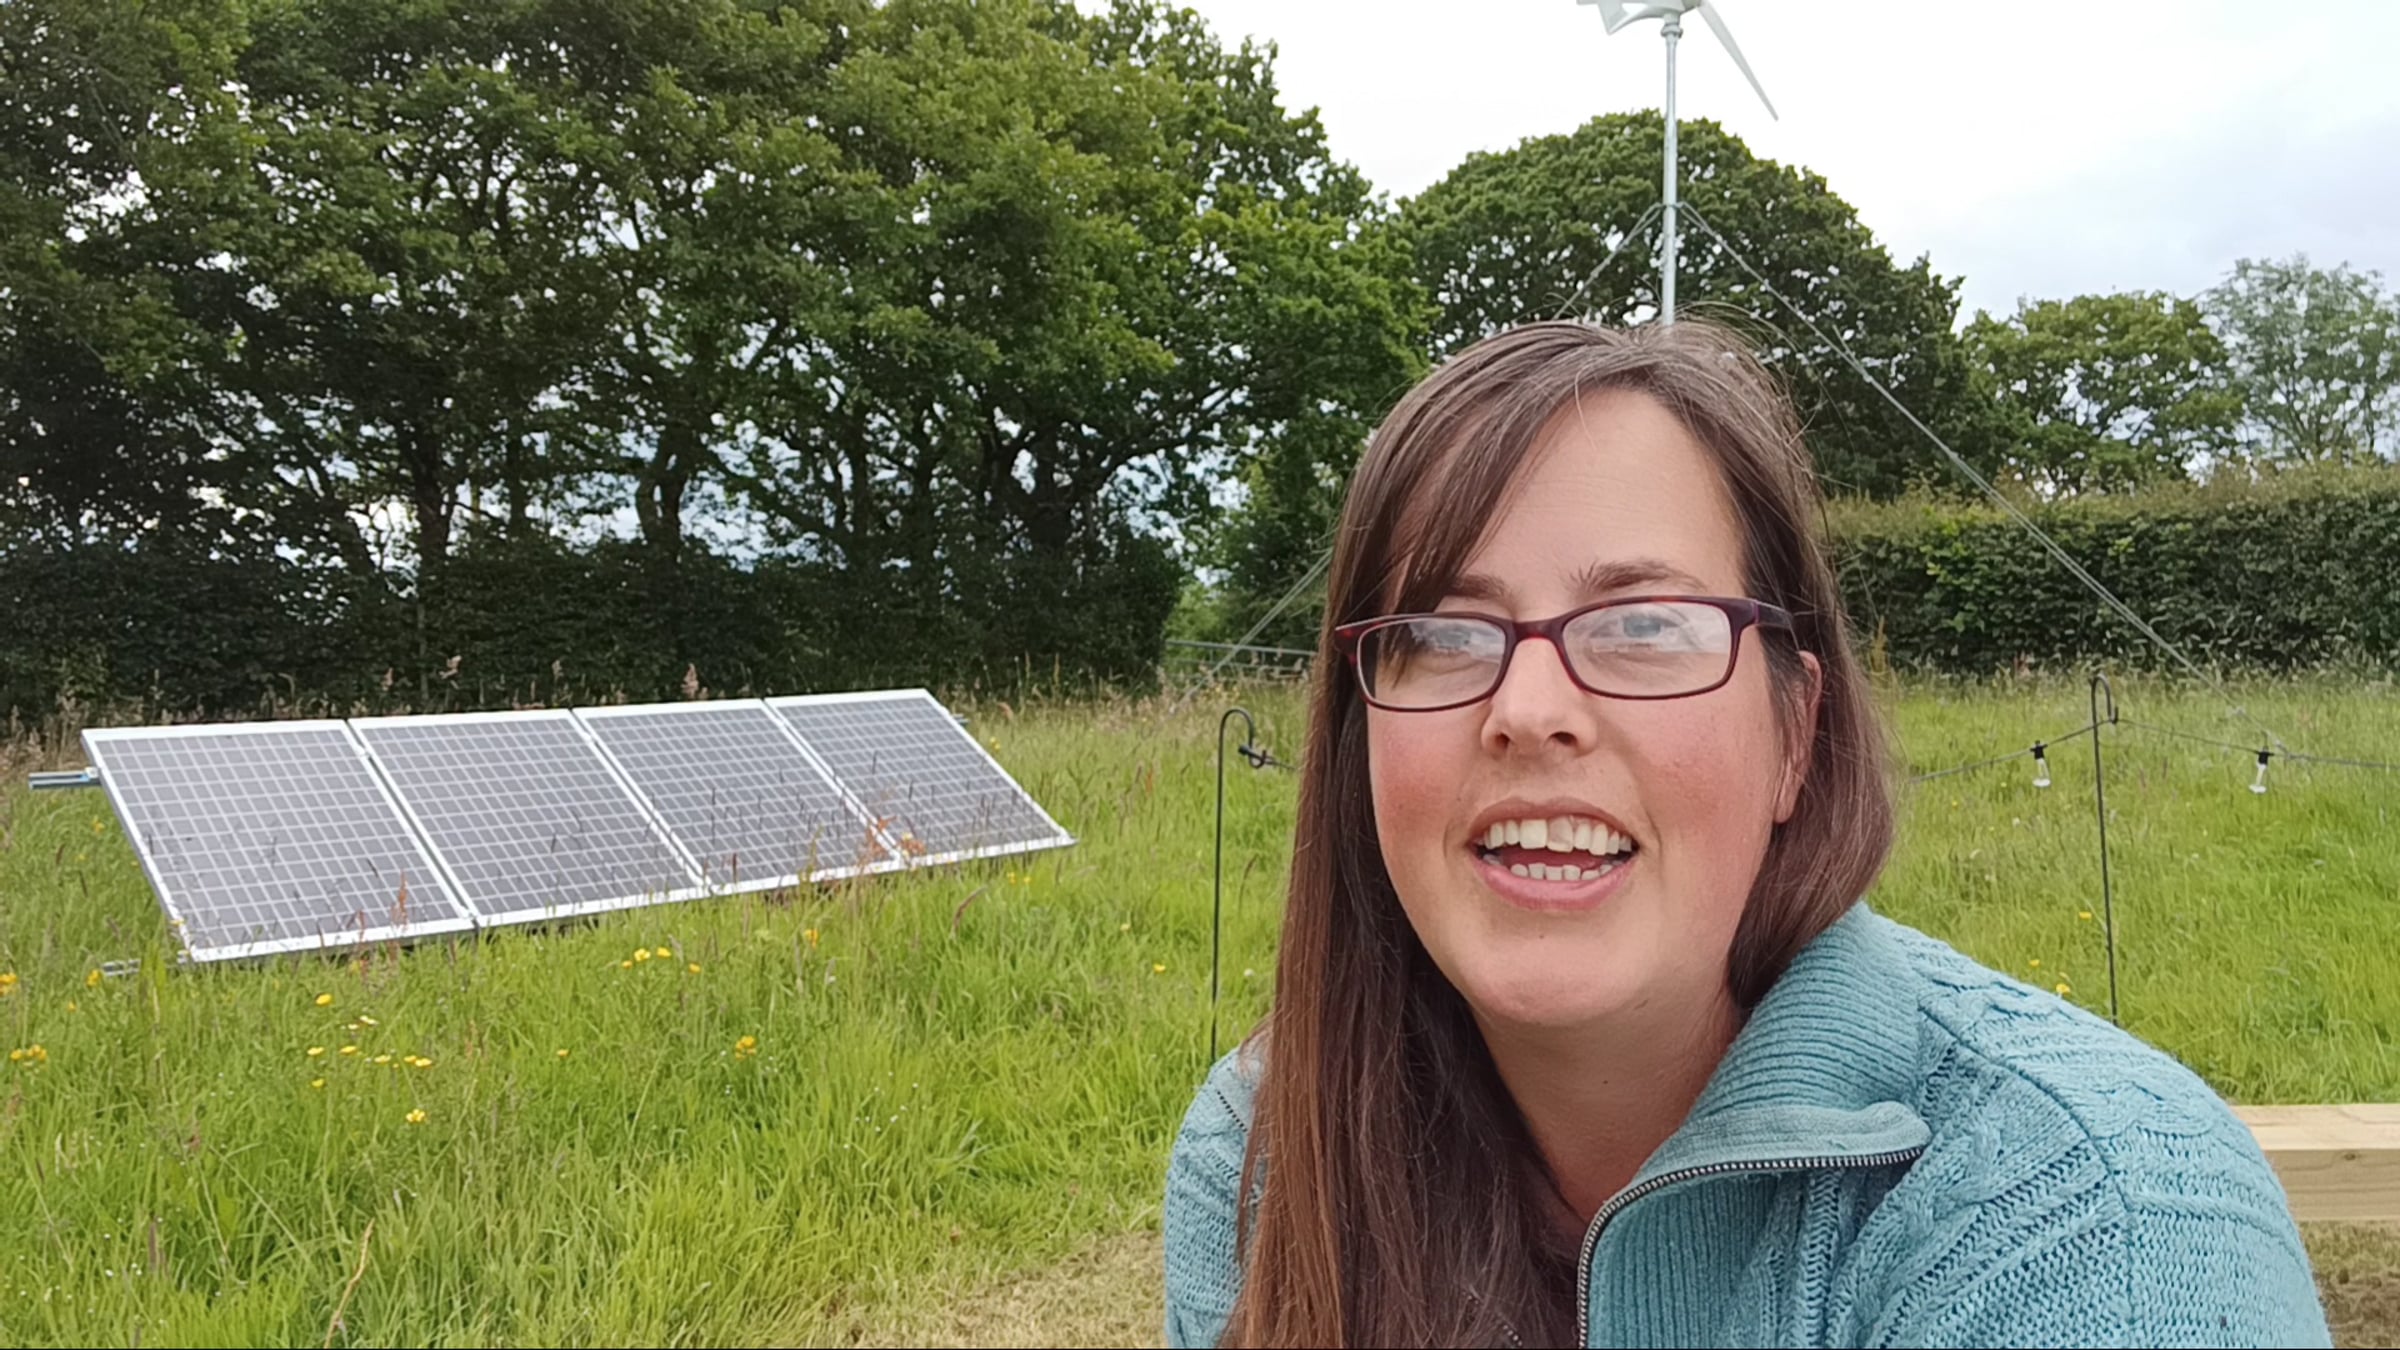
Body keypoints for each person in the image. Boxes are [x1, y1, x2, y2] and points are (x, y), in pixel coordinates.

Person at [1160, 320, 2330, 1348]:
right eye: (1443, 635)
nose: (1527, 710)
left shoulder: (2103, 1221)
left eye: (1646, 625)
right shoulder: (1268, 1160)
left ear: (1796, 733)